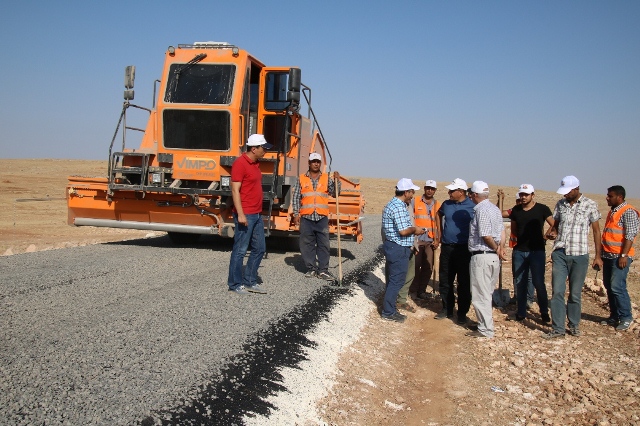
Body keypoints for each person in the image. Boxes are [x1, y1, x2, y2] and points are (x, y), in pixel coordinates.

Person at [543, 175, 602, 338]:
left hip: (580, 254)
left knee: (575, 293)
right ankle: (558, 328)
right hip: (560, 253)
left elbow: (597, 231)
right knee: (557, 292)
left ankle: (574, 325)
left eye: (567, 192)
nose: (564, 195)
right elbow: (555, 224)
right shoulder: (560, 204)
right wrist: (552, 233)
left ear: (576, 189)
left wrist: (598, 255)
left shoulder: (590, 205)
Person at [227, 134, 272, 295]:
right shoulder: (240, 163)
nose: (265, 150)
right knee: (240, 250)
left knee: (260, 248)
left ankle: (250, 281)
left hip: (257, 213)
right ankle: (234, 284)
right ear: (254, 148)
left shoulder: (255, 164)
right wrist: (240, 214)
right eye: (263, 148)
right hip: (246, 213)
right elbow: (235, 190)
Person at [381, 178, 426, 322]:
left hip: (395, 246)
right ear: (406, 192)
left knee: (394, 280)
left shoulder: (394, 204)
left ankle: (390, 309)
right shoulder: (399, 207)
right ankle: (388, 312)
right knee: (396, 281)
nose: (413, 195)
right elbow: (403, 231)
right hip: (398, 247)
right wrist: (416, 230)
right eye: (412, 192)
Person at [466, 181, 506, 338]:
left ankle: (485, 330)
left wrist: (497, 248)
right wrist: (501, 248)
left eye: (471, 194)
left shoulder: (481, 210)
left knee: (480, 294)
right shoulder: (495, 209)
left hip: (482, 256)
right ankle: (484, 324)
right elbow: (502, 231)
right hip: (493, 258)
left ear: (475, 195)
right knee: (486, 293)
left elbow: (485, 235)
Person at [508, 184, 553, 323]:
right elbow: (514, 230)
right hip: (520, 251)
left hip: (537, 251)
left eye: (526, 194)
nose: (523, 197)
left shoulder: (542, 209)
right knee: (520, 282)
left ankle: (544, 312)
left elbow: (553, 224)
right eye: (521, 194)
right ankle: (521, 312)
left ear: (533, 195)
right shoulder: (516, 210)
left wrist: (546, 236)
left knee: (538, 282)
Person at [292, 152, 340, 281]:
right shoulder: (301, 178)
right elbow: (296, 197)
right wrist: (296, 213)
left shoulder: (326, 178)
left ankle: (323, 270)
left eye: (318, 161)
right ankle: (311, 269)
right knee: (307, 244)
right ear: (309, 163)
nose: (316, 163)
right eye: (313, 161)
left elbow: (335, 193)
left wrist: (337, 181)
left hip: (321, 217)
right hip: (306, 217)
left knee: (324, 244)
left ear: (320, 163)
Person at [436, 178, 475, 324]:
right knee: (445, 280)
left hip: (464, 249)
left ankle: (462, 313)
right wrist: (439, 233)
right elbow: (438, 215)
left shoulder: (472, 206)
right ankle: (447, 309)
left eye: (452, 191)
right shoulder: (446, 204)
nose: (449, 193)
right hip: (447, 247)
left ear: (461, 191)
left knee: (464, 282)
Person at [600, 185, 638, 331]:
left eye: (610, 196)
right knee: (609, 286)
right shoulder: (613, 211)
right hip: (608, 255)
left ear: (619, 197)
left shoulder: (628, 211)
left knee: (617, 286)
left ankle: (626, 317)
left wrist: (624, 255)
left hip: (619, 257)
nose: (607, 198)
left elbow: (630, 235)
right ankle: (614, 315)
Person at [410, 180, 441, 300]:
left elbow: (439, 224)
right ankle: (413, 290)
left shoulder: (438, 205)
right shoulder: (415, 201)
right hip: (417, 239)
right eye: (428, 188)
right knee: (415, 265)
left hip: (431, 240)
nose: (430, 190)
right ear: (424, 188)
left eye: (432, 189)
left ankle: (421, 291)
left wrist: (437, 239)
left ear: (435, 190)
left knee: (428, 266)